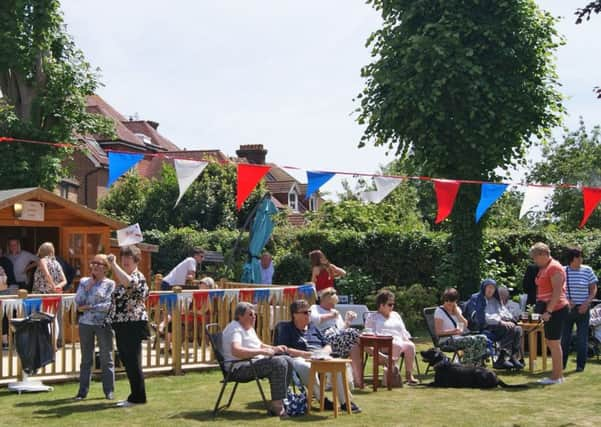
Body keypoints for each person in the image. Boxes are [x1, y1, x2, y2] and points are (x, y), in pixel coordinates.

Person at [274, 299, 361, 413]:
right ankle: (322, 399)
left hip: (320, 356)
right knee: (305, 367)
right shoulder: (285, 328)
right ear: (295, 315)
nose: (308, 315)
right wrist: (307, 354)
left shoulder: (312, 327)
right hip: (299, 358)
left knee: (337, 366)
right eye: (305, 312)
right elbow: (284, 348)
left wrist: (324, 352)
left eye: (309, 312)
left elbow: (328, 345)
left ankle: (345, 402)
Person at [222, 302, 294, 417]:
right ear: (240, 316)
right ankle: (277, 405)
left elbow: (259, 345)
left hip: (251, 363)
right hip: (239, 369)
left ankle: (282, 400)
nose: (254, 317)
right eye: (250, 314)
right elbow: (236, 351)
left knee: (287, 359)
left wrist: (274, 348)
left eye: (254, 314)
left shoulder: (248, 327)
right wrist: (262, 352)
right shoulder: (235, 329)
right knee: (278, 362)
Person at [107, 245, 150, 407]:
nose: (124, 260)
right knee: (127, 359)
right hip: (122, 324)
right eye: (123, 256)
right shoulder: (124, 276)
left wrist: (114, 264)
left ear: (136, 260)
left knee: (132, 360)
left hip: (133, 323)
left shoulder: (137, 276)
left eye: (128, 257)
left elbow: (129, 283)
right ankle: (135, 395)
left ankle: (138, 397)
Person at [74, 254, 115, 400]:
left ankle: (109, 391)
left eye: (100, 263)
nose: (96, 266)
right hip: (85, 324)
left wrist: (89, 307)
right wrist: (88, 286)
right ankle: (82, 392)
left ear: (106, 268)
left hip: (103, 324)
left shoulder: (110, 284)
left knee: (106, 358)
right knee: (86, 359)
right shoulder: (85, 281)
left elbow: (107, 305)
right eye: (94, 263)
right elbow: (78, 302)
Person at [530, 241, 569, 385]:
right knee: (551, 342)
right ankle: (557, 375)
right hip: (550, 309)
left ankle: (556, 377)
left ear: (543, 254)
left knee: (553, 342)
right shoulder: (544, 268)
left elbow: (557, 292)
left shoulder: (554, 268)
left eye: (535, 257)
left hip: (556, 309)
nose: (534, 260)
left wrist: (549, 311)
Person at [466, 279, 524, 370]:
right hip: (482, 327)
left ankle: (512, 357)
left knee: (517, 329)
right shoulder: (476, 298)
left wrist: (510, 319)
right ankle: (502, 358)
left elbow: (503, 311)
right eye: (488, 287)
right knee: (510, 329)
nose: (490, 290)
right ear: (484, 288)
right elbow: (480, 316)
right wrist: (500, 321)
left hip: (497, 327)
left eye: (493, 288)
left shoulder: (495, 299)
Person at [365, 290, 419, 385]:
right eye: (389, 304)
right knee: (396, 344)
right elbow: (369, 333)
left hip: (398, 340)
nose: (392, 307)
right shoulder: (372, 317)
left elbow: (403, 330)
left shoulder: (396, 315)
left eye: (393, 304)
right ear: (381, 305)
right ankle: (392, 372)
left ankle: (409, 375)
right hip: (382, 343)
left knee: (410, 346)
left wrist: (407, 339)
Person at [310, 288, 362, 385]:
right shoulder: (315, 308)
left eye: (334, 303)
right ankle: (373, 351)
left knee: (354, 346)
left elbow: (342, 330)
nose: (333, 306)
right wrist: (330, 315)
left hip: (337, 337)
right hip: (325, 338)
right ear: (323, 300)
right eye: (331, 303)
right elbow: (315, 320)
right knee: (354, 333)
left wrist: (348, 321)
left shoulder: (334, 311)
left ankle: (358, 380)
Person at [561, 246, 598, 372]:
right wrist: (566, 301)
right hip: (567, 310)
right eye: (579, 256)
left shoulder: (588, 270)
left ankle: (580, 366)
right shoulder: (562, 270)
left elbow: (593, 288)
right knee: (564, 338)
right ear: (573, 258)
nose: (581, 259)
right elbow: (558, 289)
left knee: (582, 338)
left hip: (583, 309)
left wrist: (587, 303)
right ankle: (561, 365)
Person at [434, 288, 488, 366]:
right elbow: (438, 332)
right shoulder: (439, 311)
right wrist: (453, 331)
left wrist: (458, 314)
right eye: (446, 300)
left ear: (456, 301)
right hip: (447, 341)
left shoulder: (457, 309)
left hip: (459, 338)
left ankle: (475, 364)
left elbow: (465, 325)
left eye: (451, 301)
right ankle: (468, 366)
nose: (448, 303)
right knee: (472, 341)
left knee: (483, 338)